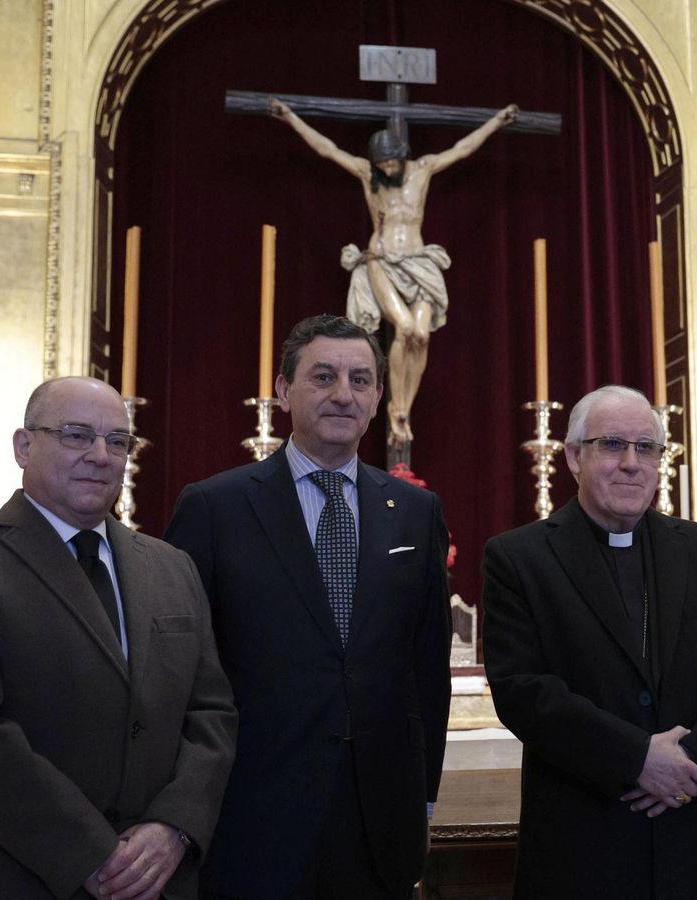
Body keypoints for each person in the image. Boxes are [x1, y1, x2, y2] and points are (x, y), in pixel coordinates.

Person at [0, 376, 237, 900]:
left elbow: (211, 714)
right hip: (19, 877)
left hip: (158, 879)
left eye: (118, 441)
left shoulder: (173, 567)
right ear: (23, 445)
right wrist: (90, 852)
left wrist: (174, 827)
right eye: (76, 435)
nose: (101, 456)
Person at [164, 314, 451, 899]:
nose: (344, 394)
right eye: (323, 376)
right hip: (250, 809)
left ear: (377, 397)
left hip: (379, 818)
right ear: (282, 389)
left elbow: (428, 666)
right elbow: (179, 669)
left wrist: (422, 797)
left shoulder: (416, 512)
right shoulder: (215, 508)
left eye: (361, 380)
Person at [481, 385, 697, 899]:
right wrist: (636, 758)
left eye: (646, 447)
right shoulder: (519, 558)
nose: (631, 463)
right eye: (612, 444)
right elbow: (523, 690)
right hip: (588, 839)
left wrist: (692, 762)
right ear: (574, 456)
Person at [267, 96, 519, 448]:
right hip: (381, 260)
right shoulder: (367, 174)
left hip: (418, 262)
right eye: (381, 163)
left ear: (402, 156)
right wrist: (292, 118)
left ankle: (403, 406)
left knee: (420, 334)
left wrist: (496, 122)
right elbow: (327, 149)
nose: (385, 169)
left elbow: (463, 148)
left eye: (390, 162)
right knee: (403, 328)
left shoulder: (422, 170)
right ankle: (396, 410)